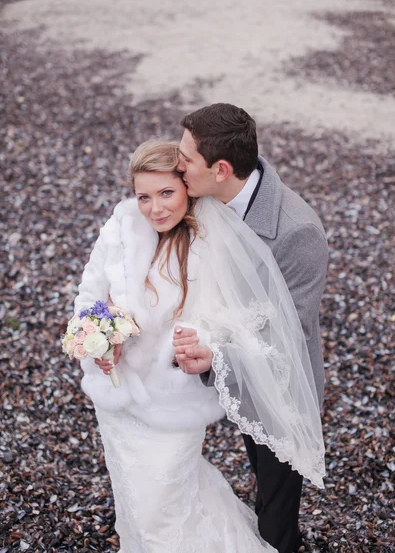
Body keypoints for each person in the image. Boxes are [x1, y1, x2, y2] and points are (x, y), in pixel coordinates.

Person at [77, 138, 325, 553]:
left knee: (164, 507)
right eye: (143, 196)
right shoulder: (120, 227)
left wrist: (205, 345)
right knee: (134, 505)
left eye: (166, 193)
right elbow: (89, 296)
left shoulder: (209, 240)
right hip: (118, 400)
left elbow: (232, 318)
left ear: (187, 189)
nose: (155, 208)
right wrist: (97, 341)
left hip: (174, 404)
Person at [172, 103, 329, 553]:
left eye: (186, 159)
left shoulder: (298, 232)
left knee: (276, 503)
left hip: (284, 388)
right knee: (257, 470)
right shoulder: (205, 196)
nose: (177, 165)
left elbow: (288, 334)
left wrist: (215, 355)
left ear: (221, 169)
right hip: (238, 372)